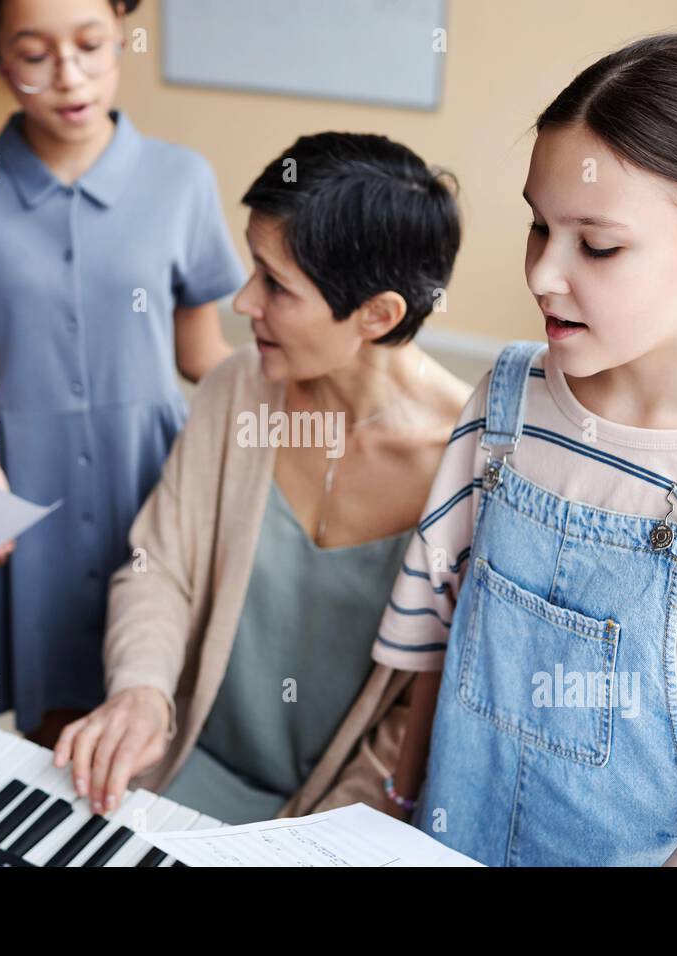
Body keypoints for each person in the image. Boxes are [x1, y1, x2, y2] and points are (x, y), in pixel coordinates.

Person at [376, 33, 677, 866]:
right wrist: (394, 810)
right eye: (538, 226)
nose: (541, 273)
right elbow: (438, 636)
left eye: (597, 245)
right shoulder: (504, 408)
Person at [51, 132, 472, 823]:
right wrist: (142, 690)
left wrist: (308, 840)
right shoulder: (236, 389)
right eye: (254, 269)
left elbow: (418, 722)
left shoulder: (470, 474)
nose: (244, 302)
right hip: (179, 767)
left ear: (378, 314)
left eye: (276, 285)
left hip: (330, 821)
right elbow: (158, 563)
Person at [0, 0, 247, 744]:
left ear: (121, 35)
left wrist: (284, 414)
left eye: (92, 46)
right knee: (51, 712)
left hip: (151, 475)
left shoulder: (181, 179)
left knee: (154, 690)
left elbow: (200, 355)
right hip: (24, 483)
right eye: (34, 54)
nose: (70, 76)